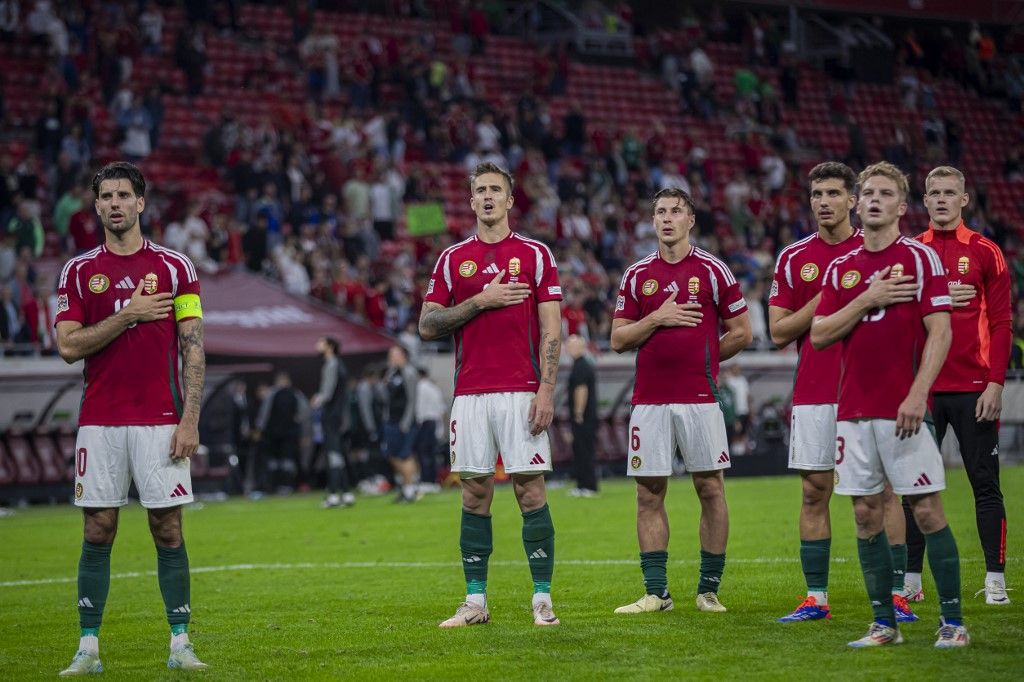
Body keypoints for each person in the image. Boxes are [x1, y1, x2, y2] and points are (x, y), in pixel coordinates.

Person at [54, 161, 208, 674]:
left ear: (141, 203)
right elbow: (68, 347)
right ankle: (88, 648)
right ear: (96, 206)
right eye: (106, 197)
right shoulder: (78, 271)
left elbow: (194, 348)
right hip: (99, 420)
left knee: (168, 529)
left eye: (124, 195)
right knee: (98, 529)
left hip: (161, 420)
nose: (115, 203)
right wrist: (129, 315)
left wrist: (190, 419)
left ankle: (181, 643)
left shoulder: (176, 268)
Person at [810, 161, 969, 648]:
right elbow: (818, 334)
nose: (874, 199)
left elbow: (940, 333)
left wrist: (919, 394)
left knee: (925, 510)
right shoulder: (842, 269)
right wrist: (866, 297)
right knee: (864, 514)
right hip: (854, 411)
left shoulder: (922, 261)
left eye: (885, 193)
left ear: (902, 207)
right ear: (858, 206)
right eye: (868, 193)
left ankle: (954, 622)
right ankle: (884, 625)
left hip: (905, 410)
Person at [769, 162, 916, 623]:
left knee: (884, 493)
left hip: (870, 389)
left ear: (853, 200)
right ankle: (816, 598)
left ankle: (896, 596)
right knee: (814, 493)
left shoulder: (882, 249)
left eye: (834, 193)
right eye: (817, 194)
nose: (824, 202)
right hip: (813, 391)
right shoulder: (794, 258)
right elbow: (777, 332)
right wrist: (823, 301)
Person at [420, 162, 563, 627]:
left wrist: (547, 387)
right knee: (474, 495)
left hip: (522, 393)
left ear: (509, 200)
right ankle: (475, 602)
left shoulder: (536, 254)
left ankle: (542, 598)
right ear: (470, 201)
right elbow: (427, 324)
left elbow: (551, 330)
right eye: (479, 189)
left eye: (494, 189)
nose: (486, 196)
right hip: (471, 394)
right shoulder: (451, 259)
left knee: (530, 491)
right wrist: (481, 299)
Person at [610, 187, 753, 616]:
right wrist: (657, 318)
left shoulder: (713, 270)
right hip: (649, 402)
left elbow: (743, 331)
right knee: (649, 495)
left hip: (700, 399)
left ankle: (708, 589)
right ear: (652, 221)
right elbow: (618, 338)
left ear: (691, 220)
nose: (667, 218)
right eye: (660, 212)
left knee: (710, 488)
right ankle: (657, 593)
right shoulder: (637, 275)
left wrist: (706, 357)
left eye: (675, 211)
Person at [902, 166, 1013, 605]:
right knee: (912, 484)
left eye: (951, 193)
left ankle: (995, 580)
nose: (943, 199)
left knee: (985, 485)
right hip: (923, 390)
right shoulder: (909, 252)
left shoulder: (987, 252)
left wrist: (996, 383)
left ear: (965, 199)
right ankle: (910, 580)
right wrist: (946, 290)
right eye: (934, 193)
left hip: (974, 388)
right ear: (924, 201)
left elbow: (1003, 323)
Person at [312, 336, 355, 508]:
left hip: (331, 416)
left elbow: (327, 393)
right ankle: (346, 493)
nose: (317, 345)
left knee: (333, 455)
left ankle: (332, 494)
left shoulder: (331, 364)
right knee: (338, 455)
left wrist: (317, 399)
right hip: (338, 416)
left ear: (329, 347)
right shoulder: (339, 364)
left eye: (321, 342)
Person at [382, 344, 420, 503]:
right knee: (392, 454)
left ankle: (410, 489)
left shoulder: (409, 372)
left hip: (404, 420)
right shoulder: (392, 372)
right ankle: (405, 485)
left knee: (405, 454)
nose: (392, 357)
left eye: (395, 354)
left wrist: (406, 420)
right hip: (391, 419)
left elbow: (412, 398)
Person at [565, 334, 598, 497]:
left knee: (583, 451)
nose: (568, 349)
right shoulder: (583, 365)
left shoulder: (580, 366)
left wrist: (578, 413)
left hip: (583, 418)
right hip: (588, 417)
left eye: (571, 345)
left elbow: (581, 390)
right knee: (583, 450)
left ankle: (587, 486)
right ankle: (584, 485)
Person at [413, 366, 445, 493]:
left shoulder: (420, 387)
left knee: (424, 453)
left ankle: (426, 481)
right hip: (434, 422)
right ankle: (433, 481)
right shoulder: (434, 387)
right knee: (431, 453)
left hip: (425, 422)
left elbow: (419, 407)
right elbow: (442, 409)